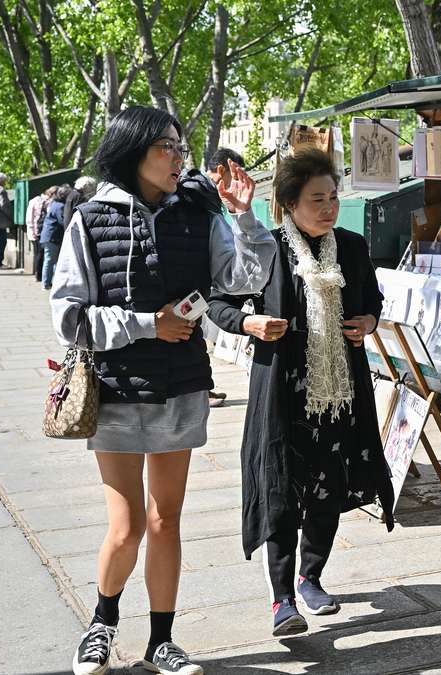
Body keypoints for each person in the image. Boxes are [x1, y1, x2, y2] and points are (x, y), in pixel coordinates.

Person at [50, 106, 276, 675]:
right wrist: (150, 323)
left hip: (181, 386)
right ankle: (101, 625)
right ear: (134, 152)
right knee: (125, 527)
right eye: (166, 148)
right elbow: (68, 317)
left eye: (180, 147)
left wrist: (245, 218)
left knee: (165, 521)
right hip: (118, 388)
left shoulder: (198, 214)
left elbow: (243, 280)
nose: (179, 158)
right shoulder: (90, 216)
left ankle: (161, 642)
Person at [206, 148, 395, 638]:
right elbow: (219, 304)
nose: (329, 207)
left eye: (333, 197)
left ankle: (312, 576)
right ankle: (282, 597)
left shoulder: (351, 247)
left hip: (339, 393)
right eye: (317, 199)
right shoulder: (265, 249)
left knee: (328, 489)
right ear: (290, 203)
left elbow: (372, 299)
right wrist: (249, 321)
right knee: (282, 492)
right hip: (283, 393)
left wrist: (369, 321)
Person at [200, 146, 247, 408]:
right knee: (194, 336)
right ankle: (202, 391)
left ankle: (203, 389)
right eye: (236, 176)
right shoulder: (205, 196)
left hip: (202, 282)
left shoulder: (205, 195)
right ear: (222, 171)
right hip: (199, 283)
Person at [39, 185, 72, 290]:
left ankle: (51, 282)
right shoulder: (60, 206)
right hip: (52, 236)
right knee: (50, 260)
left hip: (49, 236)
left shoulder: (54, 203)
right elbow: (62, 221)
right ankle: (46, 283)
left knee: (52, 260)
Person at [26, 185, 57, 281]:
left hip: (40, 231)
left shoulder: (37, 201)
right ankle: (38, 274)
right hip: (38, 231)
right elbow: (30, 217)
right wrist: (32, 231)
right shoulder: (37, 201)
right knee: (40, 253)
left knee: (40, 253)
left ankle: (38, 274)